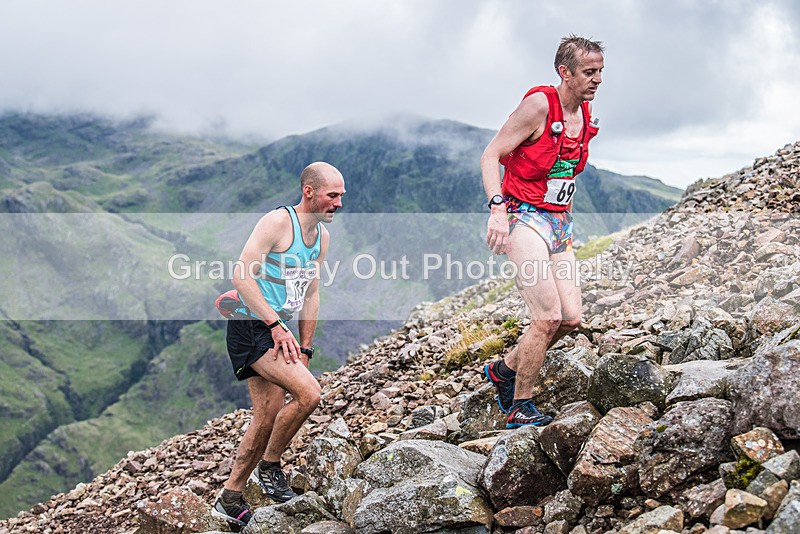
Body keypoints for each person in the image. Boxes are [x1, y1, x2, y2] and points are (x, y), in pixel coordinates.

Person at [212, 162, 345, 528]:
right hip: (250, 323)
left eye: (341, 197)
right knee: (310, 394)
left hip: (278, 328)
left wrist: (305, 346)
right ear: (309, 192)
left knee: (268, 412)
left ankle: (230, 497)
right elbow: (241, 275)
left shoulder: (322, 238)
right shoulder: (277, 223)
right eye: (332, 196)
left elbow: (312, 293)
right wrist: (274, 325)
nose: (338, 203)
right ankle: (270, 468)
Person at [481, 35, 604, 428]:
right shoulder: (538, 105)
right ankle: (520, 405)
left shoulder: (585, 112)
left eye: (600, 71)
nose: (597, 79)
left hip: (559, 221)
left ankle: (503, 369)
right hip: (523, 216)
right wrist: (497, 210)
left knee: (571, 319)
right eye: (589, 72)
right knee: (547, 317)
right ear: (564, 72)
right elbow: (491, 155)